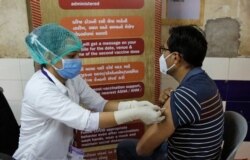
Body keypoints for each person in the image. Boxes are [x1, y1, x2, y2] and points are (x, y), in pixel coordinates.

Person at [13, 23, 165, 160]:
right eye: (72, 56)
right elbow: (86, 121)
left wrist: (134, 105)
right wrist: (136, 114)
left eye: (78, 54)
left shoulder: (72, 79)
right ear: (49, 57)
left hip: (60, 153)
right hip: (36, 156)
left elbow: (101, 104)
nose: (78, 60)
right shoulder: (40, 89)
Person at [116, 25, 224, 160]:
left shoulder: (183, 97)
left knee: (125, 148)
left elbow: (142, 149)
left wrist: (168, 107)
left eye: (164, 50)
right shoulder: (207, 82)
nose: (162, 55)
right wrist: (165, 106)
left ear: (175, 58)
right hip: (207, 155)